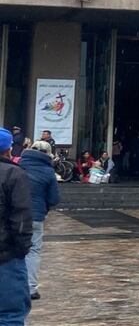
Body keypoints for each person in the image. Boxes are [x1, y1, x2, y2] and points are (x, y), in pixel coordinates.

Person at [0, 128, 33, 325]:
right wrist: (21, 249)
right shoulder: (13, 173)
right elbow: (21, 218)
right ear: (8, 150)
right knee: (10, 313)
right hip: (6, 256)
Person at [20, 140, 59, 301]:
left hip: (15, 214)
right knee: (33, 250)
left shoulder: (19, 165)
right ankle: (30, 288)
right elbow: (54, 198)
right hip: (36, 216)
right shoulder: (48, 171)